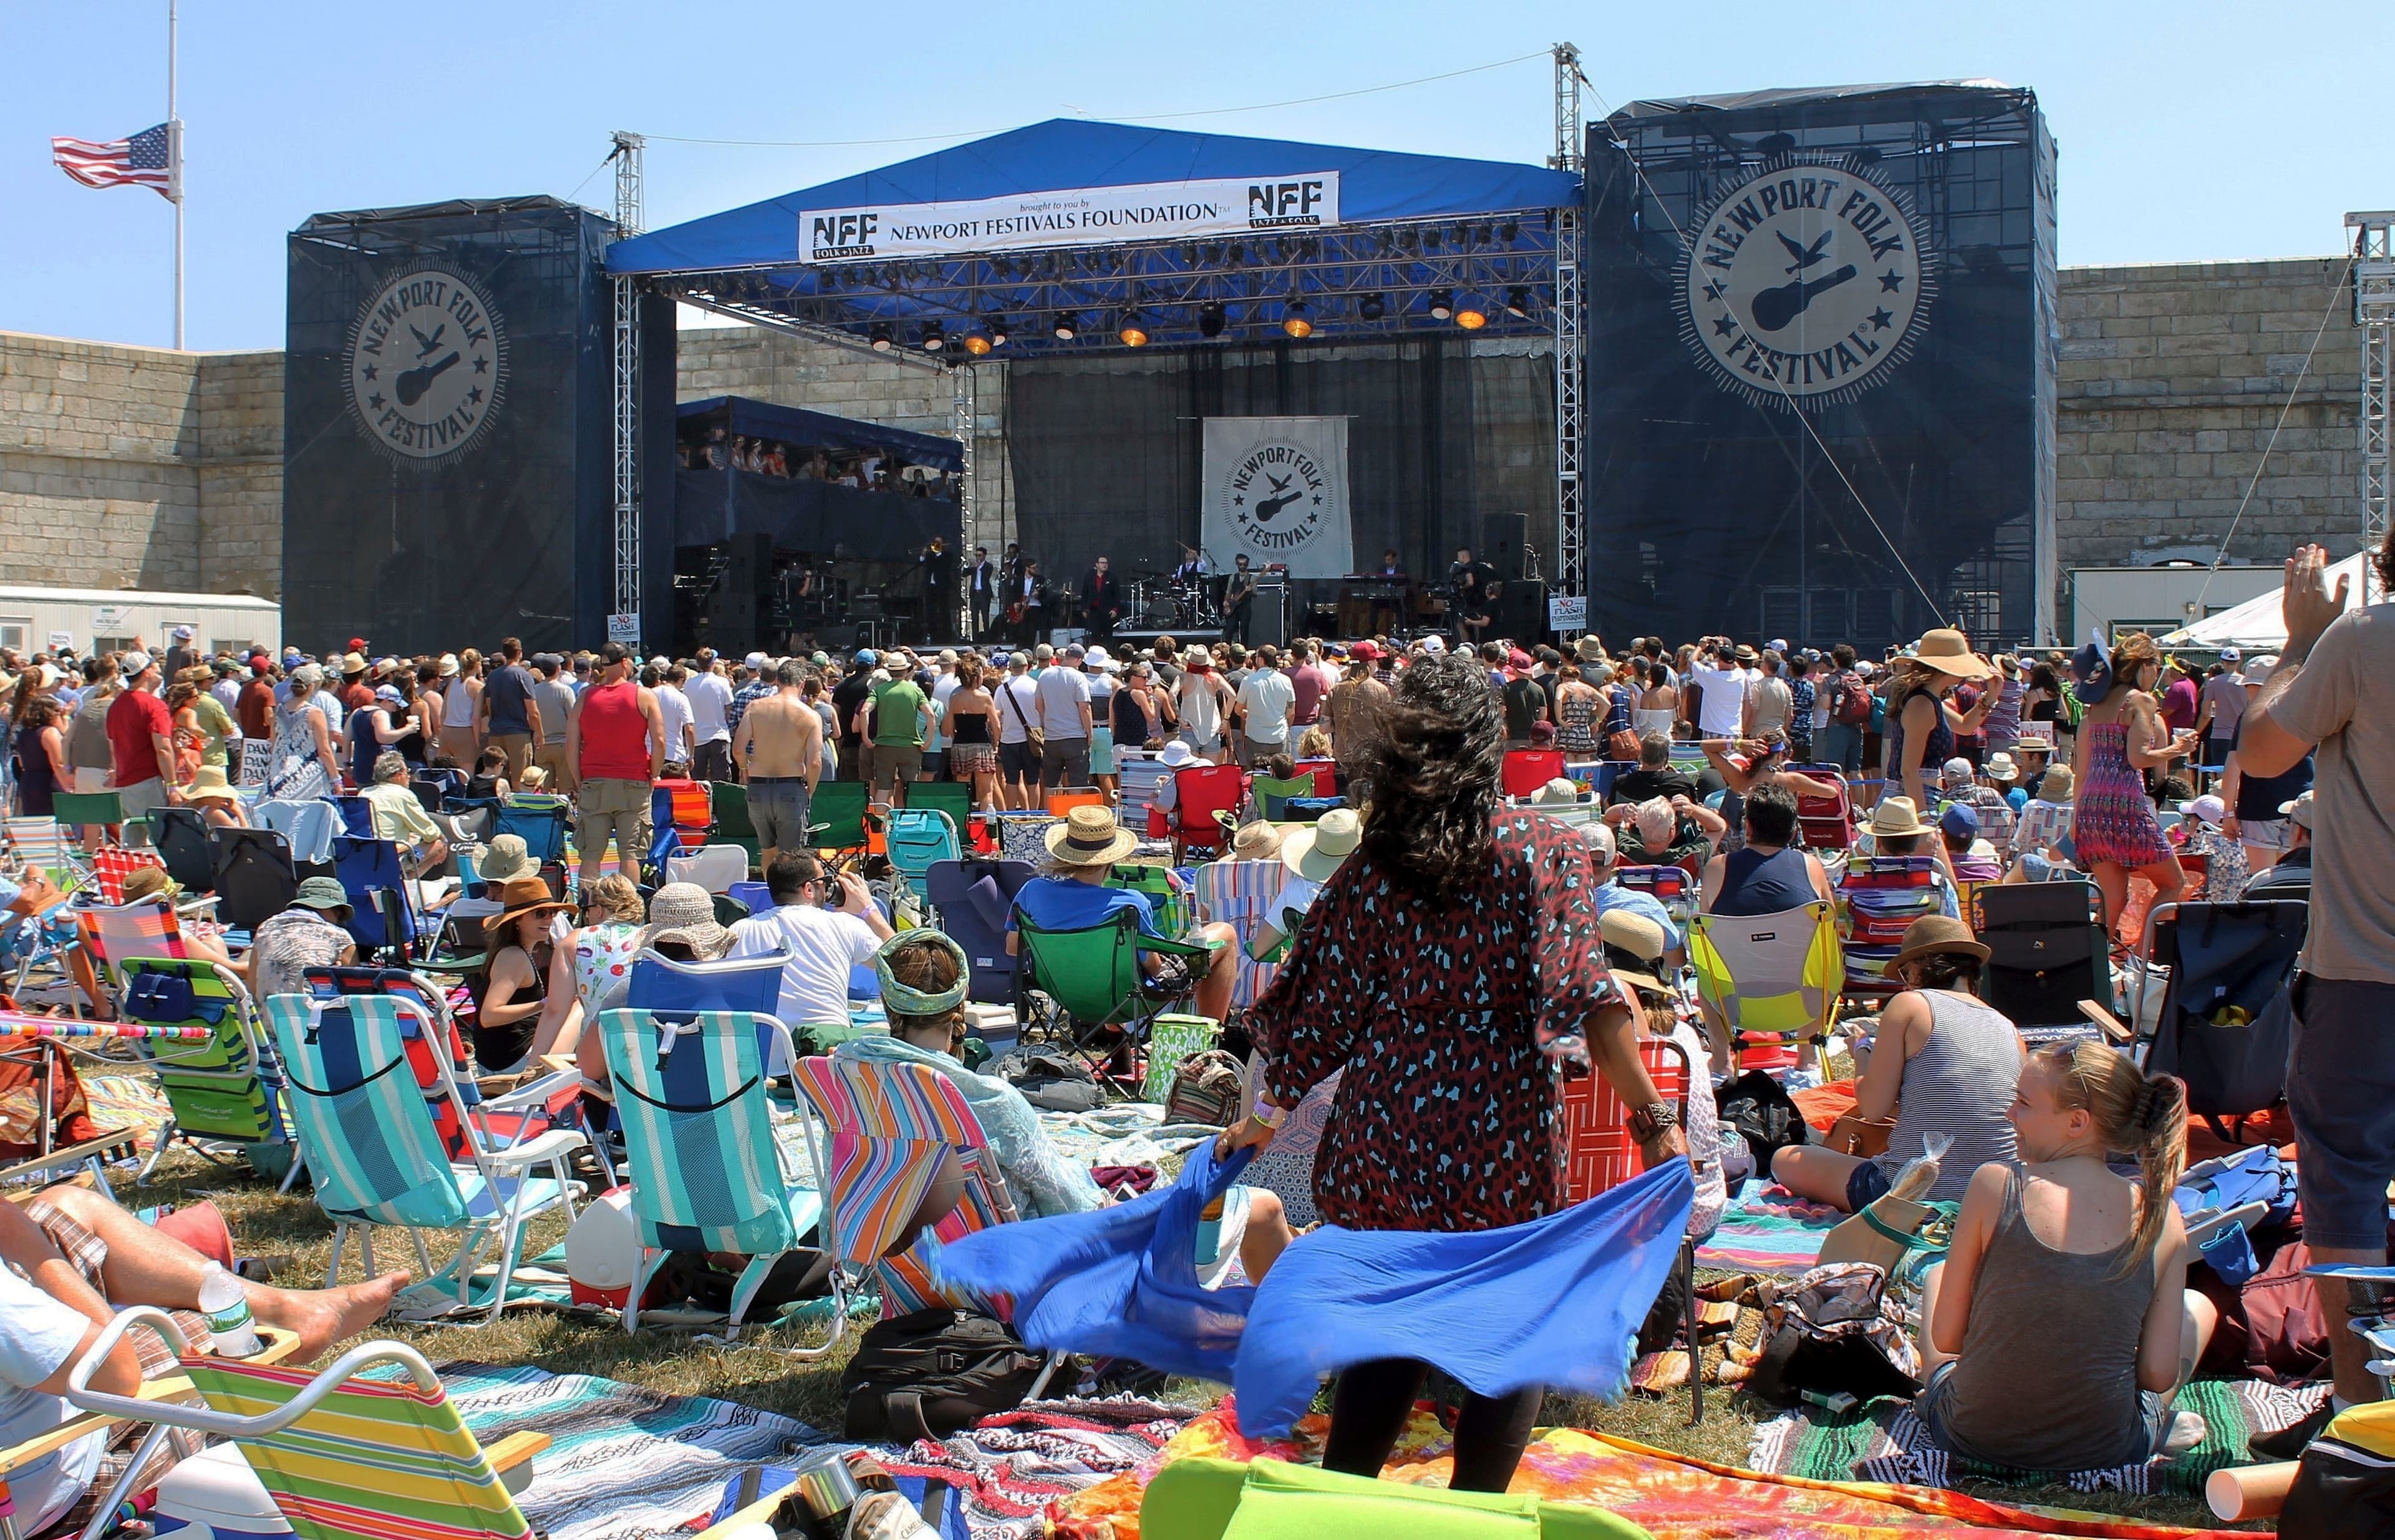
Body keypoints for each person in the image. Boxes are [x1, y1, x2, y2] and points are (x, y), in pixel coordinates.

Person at [1222, 650, 1681, 1494]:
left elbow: (1317, 1017)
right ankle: (1475, 1512)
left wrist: (1261, 1118)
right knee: (1509, 1340)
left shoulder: (1373, 867)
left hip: (1382, 1142)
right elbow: (1592, 1001)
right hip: (1497, 1143)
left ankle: (1348, 1503)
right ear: (1491, 742)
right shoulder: (1540, 852)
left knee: (1387, 1335)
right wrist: (1654, 1123)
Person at [2212, 542, 2395, 1446]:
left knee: (2349, 1181)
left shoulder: (2364, 640)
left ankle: (2363, 1413)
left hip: (2369, 973)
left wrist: (2300, 643)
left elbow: (2264, 747)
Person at [0, 1182, 409, 1538]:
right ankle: (288, 1333)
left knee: (64, 1208)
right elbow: (116, 1374)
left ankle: (286, 1307)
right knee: (211, 1331)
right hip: (60, 1492)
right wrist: (28, 1247)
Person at [1911, 1042, 2212, 1470]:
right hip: (2104, 1448)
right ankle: (2157, 1423)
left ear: (2077, 1122)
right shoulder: (2162, 1216)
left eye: (2024, 1103)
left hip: (1973, 1434)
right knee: (2198, 1307)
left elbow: (1947, 1339)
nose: (2009, 1114)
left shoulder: (1995, 1184)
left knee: (1937, 1274)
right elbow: (2158, 1374)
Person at [1773, 916, 2021, 1211]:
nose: (1904, 983)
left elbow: (1874, 1109)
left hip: (1911, 1191)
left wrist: (1862, 1052)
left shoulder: (1912, 1005)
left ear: (1920, 966)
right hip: (1995, 1194)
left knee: (1785, 1159)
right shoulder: (2007, 1026)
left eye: (1905, 973)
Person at [1007, 805, 1242, 1030]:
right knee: (1225, 934)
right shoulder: (1130, 903)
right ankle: (1209, 1045)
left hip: (1066, 995)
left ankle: (1119, 1051)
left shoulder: (1032, 892)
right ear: (1111, 858)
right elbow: (1154, 967)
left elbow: (1013, 948)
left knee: (1112, 964)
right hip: (1126, 1000)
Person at [2070, 631, 2193, 947]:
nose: (2157, 674)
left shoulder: (2094, 709)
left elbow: (2080, 772)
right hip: (2125, 803)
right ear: (2143, 665)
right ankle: (2139, 957)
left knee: (2113, 895)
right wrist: (2178, 749)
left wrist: (2076, 820)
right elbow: (2138, 758)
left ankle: (2094, 964)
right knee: (2172, 883)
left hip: (2091, 808)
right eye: (2156, 665)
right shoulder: (2141, 700)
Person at [727, 851, 893, 1060]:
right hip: (824, 1063)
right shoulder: (844, 925)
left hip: (763, 1066)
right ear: (809, 889)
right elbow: (905, 960)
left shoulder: (740, 931)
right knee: (885, 1027)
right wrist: (869, 910)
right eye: (825, 881)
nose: (829, 887)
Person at [567, 642, 665, 887]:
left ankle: (588, 909)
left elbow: (570, 744)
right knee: (630, 853)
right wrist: (653, 774)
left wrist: (579, 779)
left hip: (594, 781)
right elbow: (660, 741)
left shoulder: (586, 697)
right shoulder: (643, 695)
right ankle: (628, 911)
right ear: (625, 663)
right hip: (634, 780)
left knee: (591, 854)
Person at [467, 874, 572, 1073]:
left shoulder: (520, 952)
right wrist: (543, 1005)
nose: (549, 919)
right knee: (577, 1012)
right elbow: (489, 1016)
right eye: (540, 913)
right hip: (510, 1063)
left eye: (553, 912)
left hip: (503, 1058)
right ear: (517, 920)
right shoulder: (514, 956)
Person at [1884, 631, 1997, 812]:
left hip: (1916, 797)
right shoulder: (1922, 704)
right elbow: (1909, 771)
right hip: (1911, 801)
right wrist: (1922, 820)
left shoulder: (1928, 700)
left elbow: (1965, 726)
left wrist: (1991, 697)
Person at [2219, 653, 2311, 873]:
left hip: (2259, 804)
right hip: (2300, 804)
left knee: (2263, 880)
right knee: (2294, 877)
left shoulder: (2252, 717)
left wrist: (2228, 812)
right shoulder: (2304, 712)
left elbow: (2233, 766)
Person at [735, 659, 824, 870]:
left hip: (758, 786)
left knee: (767, 851)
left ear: (777, 681)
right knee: (792, 856)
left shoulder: (756, 708)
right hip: (791, 787)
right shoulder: (810, 716)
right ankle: (789, 898)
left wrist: (744, 769)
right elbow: (814, 762)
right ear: (802, 683)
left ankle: (770, 896)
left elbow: (738, 749)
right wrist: (810, 789)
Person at [1700, 785, 1836, 917]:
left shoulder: (1717, 867)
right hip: (1797, 940)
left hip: (1734, 941)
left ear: (1748, 829)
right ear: (1794, 833)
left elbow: (1704, 932)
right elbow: (1831, 929)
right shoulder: (1811, 866)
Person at [244, 875, 359, 1000]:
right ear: (325, 909)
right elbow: (355, 992)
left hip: (271, 1016)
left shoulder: (266, 928)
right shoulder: (340, 937)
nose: (338, 921)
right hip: (315, 1015)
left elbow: (252, 987)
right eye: (339, 913)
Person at [105, 652, 178, 826]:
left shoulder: (115, 705)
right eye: (152, 667)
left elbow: (112, 746)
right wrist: (173, 786)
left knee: (132, 848)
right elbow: (163, 748)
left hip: (123, 784)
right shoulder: (154, 705)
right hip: (147, 783)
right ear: (146, 673)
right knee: (163, 842)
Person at [359, 752, 449, 878]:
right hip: (390, 858)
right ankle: (406, 882)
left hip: (365, 856)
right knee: (437, 845)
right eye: (408, 772)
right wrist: (445, 842)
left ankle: (401, 881)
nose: (409, 776)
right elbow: (430, 833)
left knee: (412, 838)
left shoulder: (364, 792)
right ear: (397, 775)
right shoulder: (402, 794)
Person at [478, 639, 540, 787]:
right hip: (518, 733)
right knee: (521, 779)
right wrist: (540, 732)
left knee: (497, 779)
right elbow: (533, 711)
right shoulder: (524, 675)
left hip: (496, 732)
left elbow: (489, 706)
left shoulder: (492, 676)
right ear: (519, 653)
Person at [870, 657, 931, 806]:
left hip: (885, 746)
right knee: (910, 789)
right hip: (910, 746)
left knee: (884, 789)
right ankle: (909, 824)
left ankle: (879, 826)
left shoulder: (879, 690)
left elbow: (865, 710)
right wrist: (928, 741)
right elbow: (930, 714)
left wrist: (867, 738)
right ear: (906, 671)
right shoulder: (915, 690)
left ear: (889, 671)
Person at [1034, 642, 1094, 795]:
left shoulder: (1045, 675)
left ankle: (1050, 817)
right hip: (1074, 737)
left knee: (1051, 783)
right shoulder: (1078, 677)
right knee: (1077, 783)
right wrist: (1089, 733)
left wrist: (1045, 724)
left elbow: (1039, 705)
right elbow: (1084, 708)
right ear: (1079, 660)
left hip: (1052, 737)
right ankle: (1074, 816)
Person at [1235, 646, 1295, 770]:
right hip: (1279, 736)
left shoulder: (1249, 680)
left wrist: (1244, 713)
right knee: (1280, 773)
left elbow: (1238, 709)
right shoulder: (1286, 680)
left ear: (1261, 660)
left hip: (1255, 736)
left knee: (1256, 774)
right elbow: (1290, 711)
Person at [1174, 651, 1235, 765]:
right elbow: (1232, 695)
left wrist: (1179, 718)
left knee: (1190, 770)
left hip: (1189, 728)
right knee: (1210, 771)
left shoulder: (1183, 677)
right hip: (1211, 730)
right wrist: (1226, 720)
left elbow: (1172, 695)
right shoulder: (1215, 678)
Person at [12, 695, 67, 818]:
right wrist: (68, 787)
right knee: (56, 826)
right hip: (48, 783)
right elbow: (58, 764)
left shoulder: (23, 733)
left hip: (28, 782)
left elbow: (21, 763)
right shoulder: (50, 733)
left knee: (36, 826)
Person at [530, 654, 578, 794]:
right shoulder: (565, 691)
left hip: (541, 744)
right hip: (562, 744)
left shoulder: (534, 690)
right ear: (558, 669)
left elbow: (531, 717)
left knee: (542, 788)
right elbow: (572, 718)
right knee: (565, 788)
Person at [685, 655, 735, 784]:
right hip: (718, 736)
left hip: (697, 738)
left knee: (697, 779)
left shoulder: (689, 684)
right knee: (721, 781)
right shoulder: (722, 682)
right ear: (713, 663)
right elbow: (729, 709)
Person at [1609, 732, 1696, 806]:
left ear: (1641, 756)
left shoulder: (1620, 782)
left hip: (1631, 825)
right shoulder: (1682, 783)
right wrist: (1677, 775)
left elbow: (1609, 807)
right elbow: (1693, 810)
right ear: (1666, 757)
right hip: (1671, 826)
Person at [438, 650, 483, 764]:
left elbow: (443, 713)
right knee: (466, 775)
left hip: (446, 731)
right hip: (464, 733)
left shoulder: (453, 682)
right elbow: (476, 718)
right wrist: (478, 742)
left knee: (444, 773)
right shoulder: (478, 686)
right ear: (478, 665)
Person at [1448, 547, 1496, 647]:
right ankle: (1478, 645)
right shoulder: (1478, 566)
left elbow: (1470, 582)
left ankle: (1466, 645)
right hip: (1481, 600)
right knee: (1476, 624)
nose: (1458, 559)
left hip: (1471, 602)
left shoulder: (1467, 568)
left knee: (1461, 624)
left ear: (1464, 556)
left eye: (1459, 557)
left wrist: (1462, 587)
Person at [181, 764, 247, 831]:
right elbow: (245, 837)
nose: (224, 799)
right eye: (223, 796)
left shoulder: (186, 807)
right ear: (212, 795)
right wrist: (239, 813)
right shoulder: (214, 813)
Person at [1080, 554, 1122, 639]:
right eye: (1102, 563)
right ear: (1097, 564)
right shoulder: (1089, 577)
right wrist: (1084, 609)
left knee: (1108, 636)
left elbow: (1117, 595)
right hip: (1093, 612)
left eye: (1106, 563)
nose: (1105, 565)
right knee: (1095, 635)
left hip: (1108, 612)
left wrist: (1115, 609)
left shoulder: (1112, 577)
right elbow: (1084, 594)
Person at [1221, 554, 1257, 645]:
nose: (1242, 566)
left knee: (1244, 631)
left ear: (1247, 565)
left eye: (1244, 564)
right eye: (1240, 564)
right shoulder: (1233, 577)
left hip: (1245, 606)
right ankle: (1227, 649)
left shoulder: (1252, 578)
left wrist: (1251, 590)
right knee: (1229, 629)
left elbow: (1256, 594)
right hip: (1233, 606)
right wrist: (1226, 601)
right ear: (1237, 564)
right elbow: (1228, 592)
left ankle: (1244, 651)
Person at [968, 545, 998, 640]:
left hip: (984, 595)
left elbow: (986, 576)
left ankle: (987, 638)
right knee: (974, 617)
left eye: (980, 555)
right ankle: (975, 638)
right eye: (976, 555)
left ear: (984, 556)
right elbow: (964, 574)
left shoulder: (988, 566)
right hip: (975, 594)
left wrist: (979, 567)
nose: (978, 558)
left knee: (985, 617)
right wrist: (969, 566)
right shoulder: (973, 567)